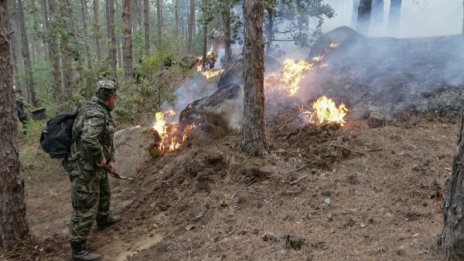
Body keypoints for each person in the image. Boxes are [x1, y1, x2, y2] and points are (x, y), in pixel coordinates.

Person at [63, 79, 121, 261]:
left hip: (93, 165)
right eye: (114, 96)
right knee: (85, 203)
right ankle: (78, 248)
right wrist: (101, 157)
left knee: (103, 190)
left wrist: (110, 159)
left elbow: (104, 139)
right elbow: (89, 139)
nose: (116, 99)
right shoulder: (95, 114)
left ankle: (103, 219)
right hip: (83, 167)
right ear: (110, 98)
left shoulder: (98, 109)